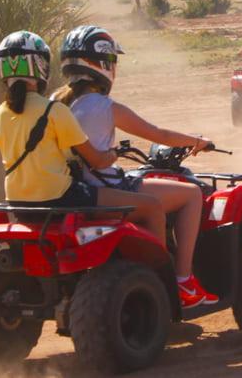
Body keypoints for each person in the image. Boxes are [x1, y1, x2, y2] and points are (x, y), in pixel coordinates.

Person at [52, 25, 218, 308]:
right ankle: (182, 280)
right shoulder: (105, 106)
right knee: (190, 194)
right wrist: (197, 141)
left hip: (74, 189)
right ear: (103, 64)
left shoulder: (57, 102)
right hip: (107, 187)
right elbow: (159, 135)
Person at [0, 31, 170, 265]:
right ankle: (161, 279)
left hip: (18, 203)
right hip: (61, 199)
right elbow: (96, 160)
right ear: (40, 66)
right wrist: (113, 154)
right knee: (153, 206)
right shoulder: (53, 111)